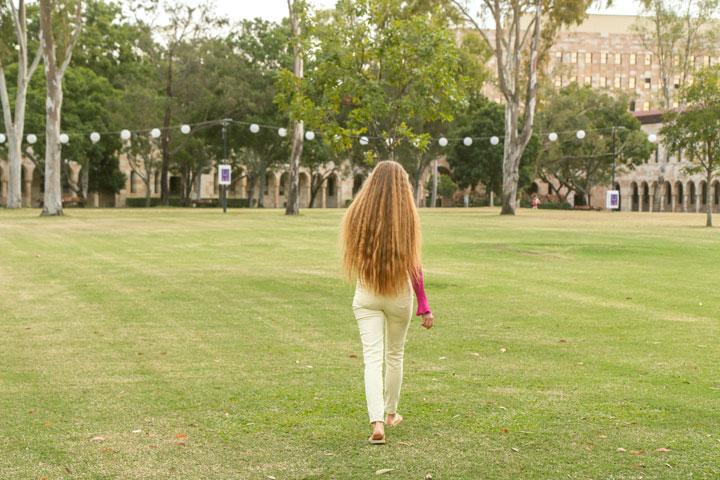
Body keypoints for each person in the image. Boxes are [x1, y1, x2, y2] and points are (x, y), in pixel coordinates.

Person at [340, 160, 434, 445]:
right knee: (395, 355)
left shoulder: (358, 213)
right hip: (399, 295)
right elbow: (413, 265)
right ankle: (391, 414)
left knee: (372, 359)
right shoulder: (407, 216)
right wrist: (423, 304)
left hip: (367, 292)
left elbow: (354, 254)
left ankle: (377, 422)